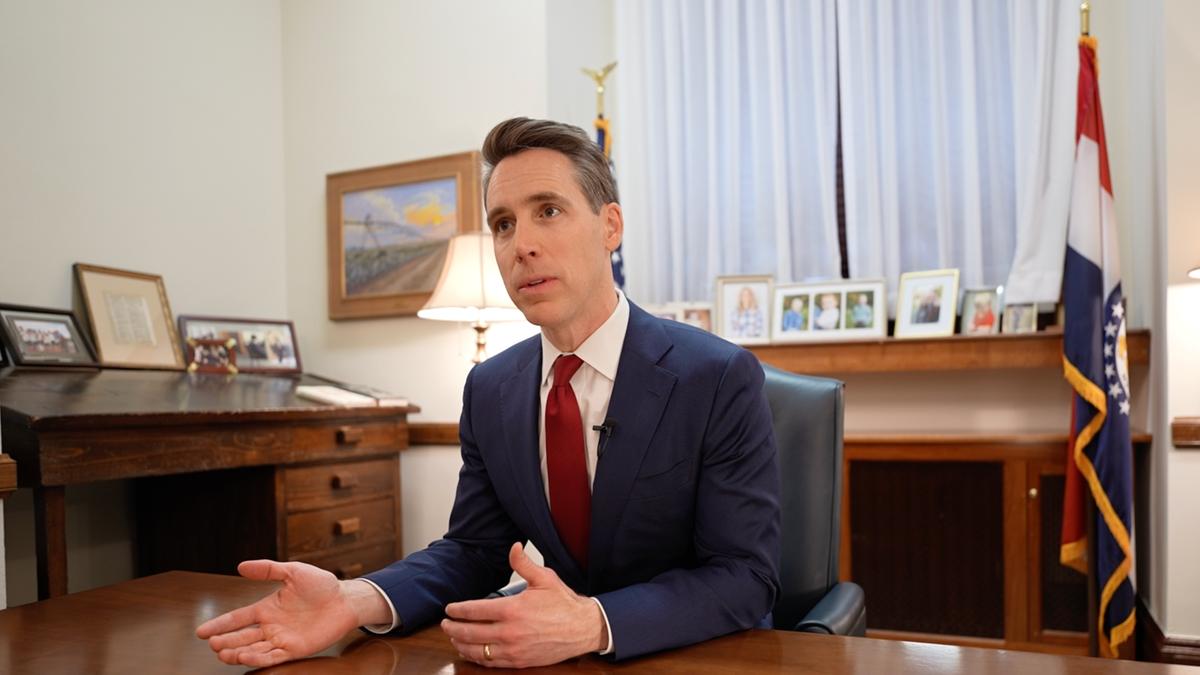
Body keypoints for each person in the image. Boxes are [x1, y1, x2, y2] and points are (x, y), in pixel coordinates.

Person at [197, 117, 781, 669]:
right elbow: (474, 549)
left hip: (696, 657)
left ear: (611, 226)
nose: (520, 244)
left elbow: (744, 576)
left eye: (547, 211)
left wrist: (593, 622)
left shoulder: (717, 376)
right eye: (503, 223)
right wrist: (356, 599)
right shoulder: (490, 388)